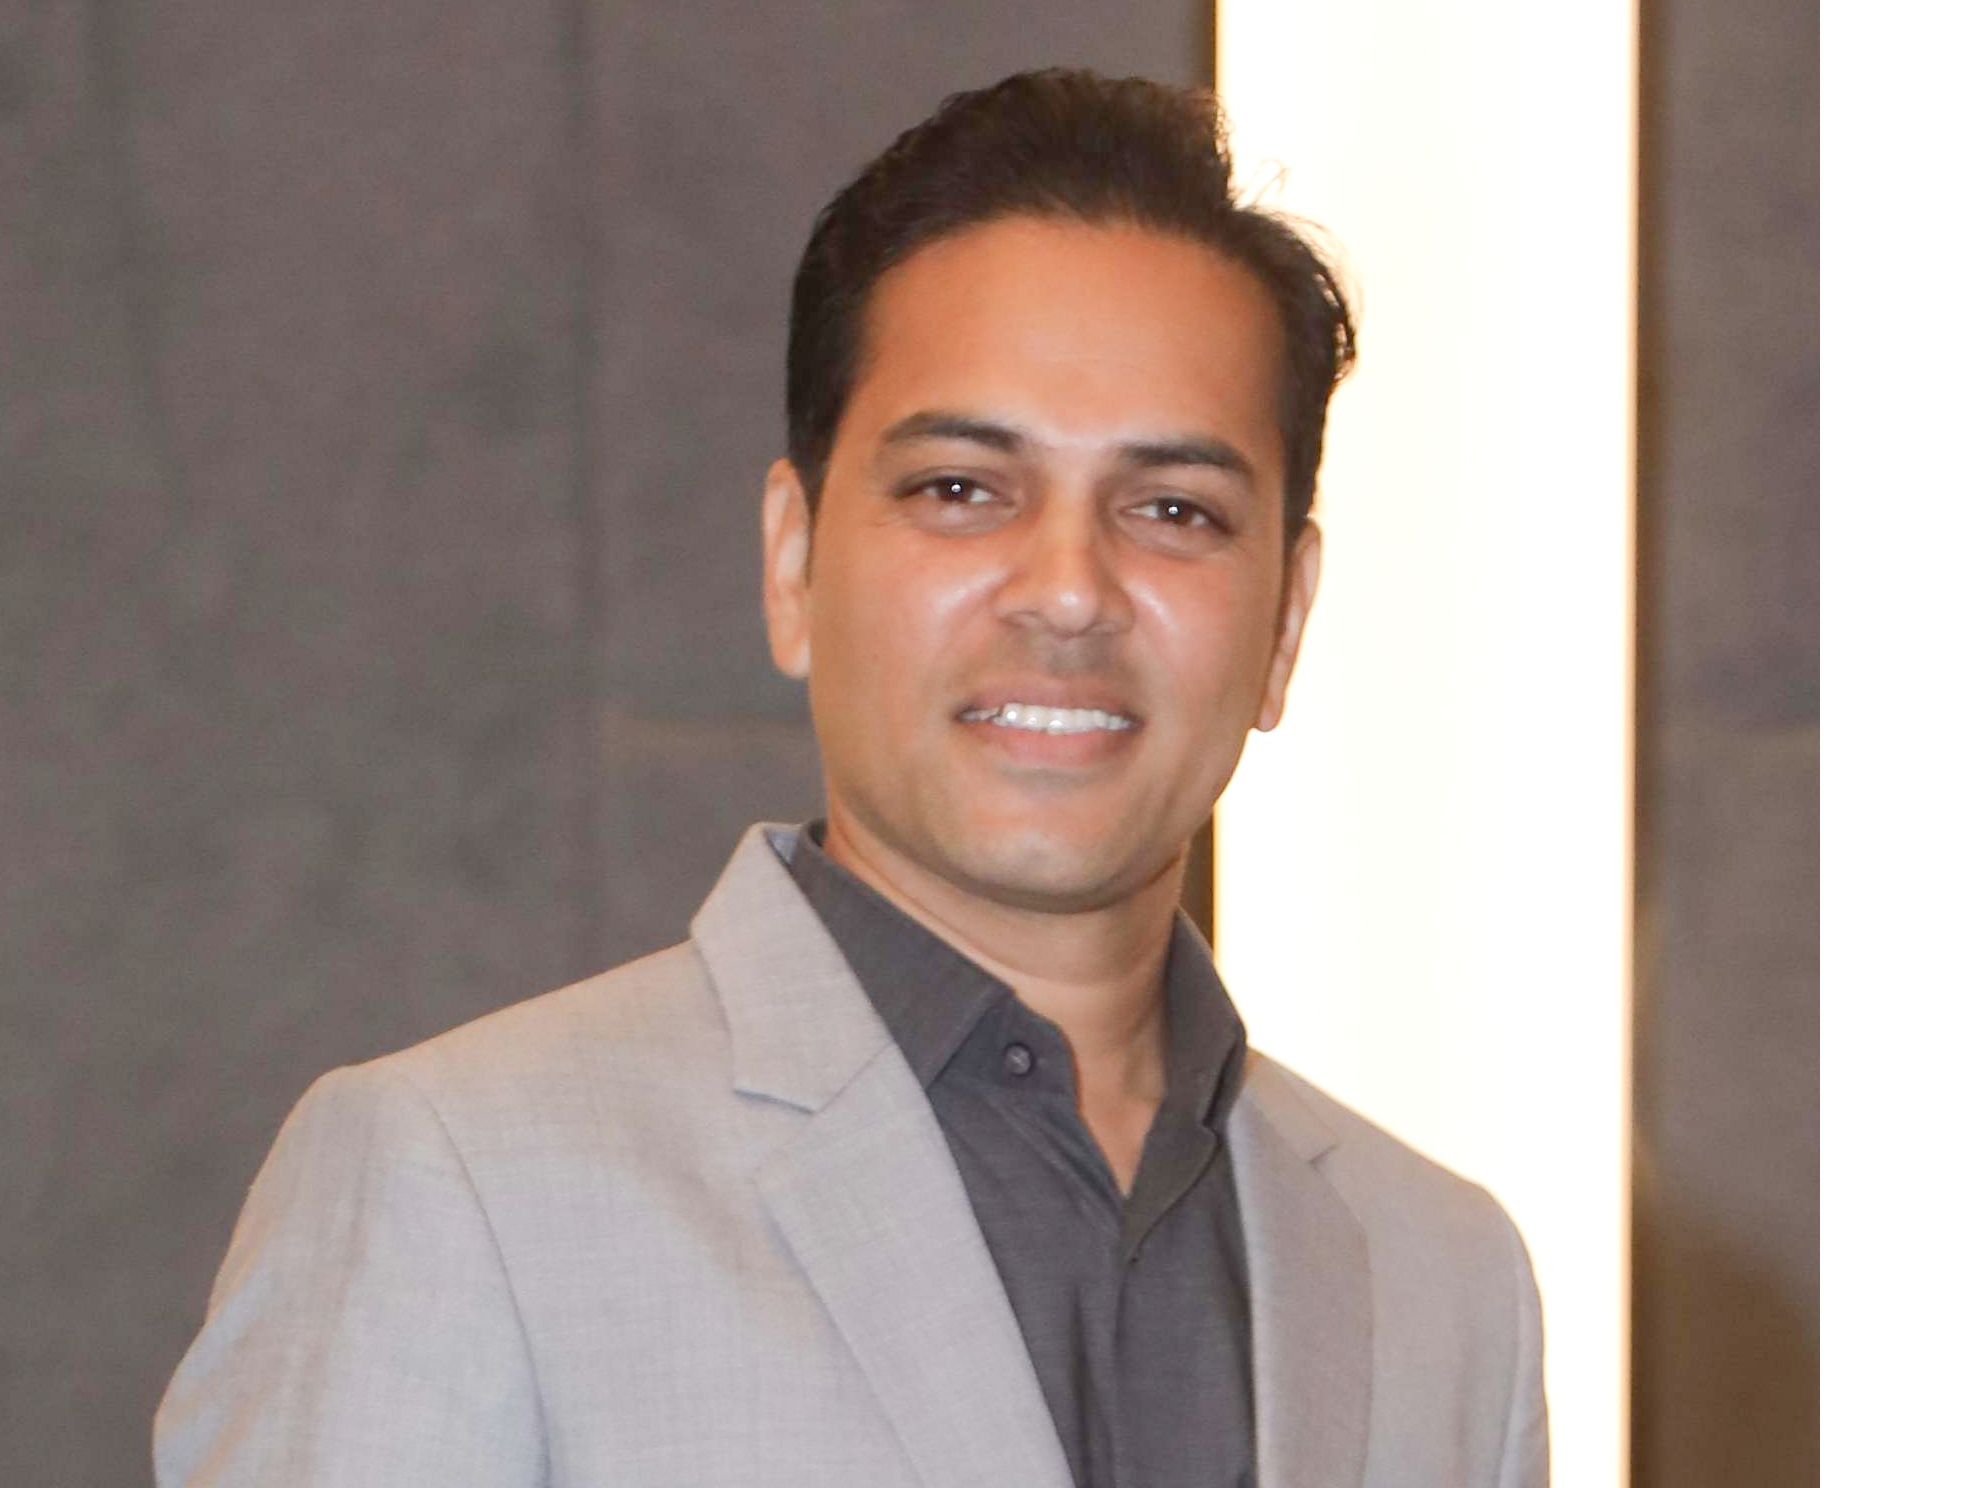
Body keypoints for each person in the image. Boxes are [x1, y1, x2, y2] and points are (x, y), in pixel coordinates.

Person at [155, 69, 1547, 1488]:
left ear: (1287, 622)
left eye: (1174, 509)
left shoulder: (1446, 1281)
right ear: (794, 562)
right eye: (961, 489)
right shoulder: (461, 1188)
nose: (1070, 590)